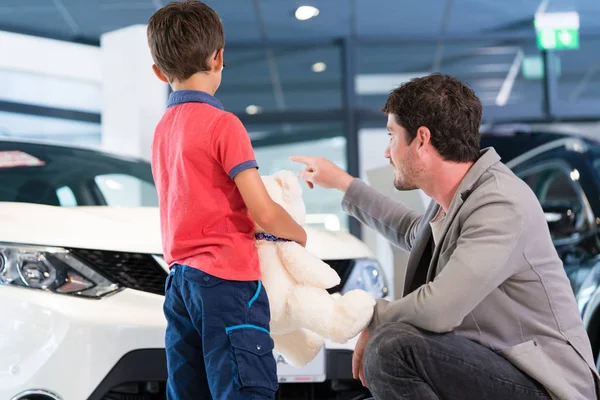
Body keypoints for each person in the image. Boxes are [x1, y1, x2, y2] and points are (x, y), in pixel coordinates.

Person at [292, 73, 600, 400]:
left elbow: (438, 309)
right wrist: (342, 182)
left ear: (422, 140)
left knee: (392, 348)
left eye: (392, 136)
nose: (387, 152)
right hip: (497, 367)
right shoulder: (457, 200)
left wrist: (372, 316)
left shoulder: (500, 204)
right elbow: (413, 232)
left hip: (546, 385)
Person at [147, 2, 307, 399]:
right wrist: (300, 235)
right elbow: (264, 211)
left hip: (180, 283)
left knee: (189, 390)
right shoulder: (223, 124)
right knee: (244, 388)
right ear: (218, 57)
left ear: (159, 72)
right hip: (227, 284)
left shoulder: (163, 130)